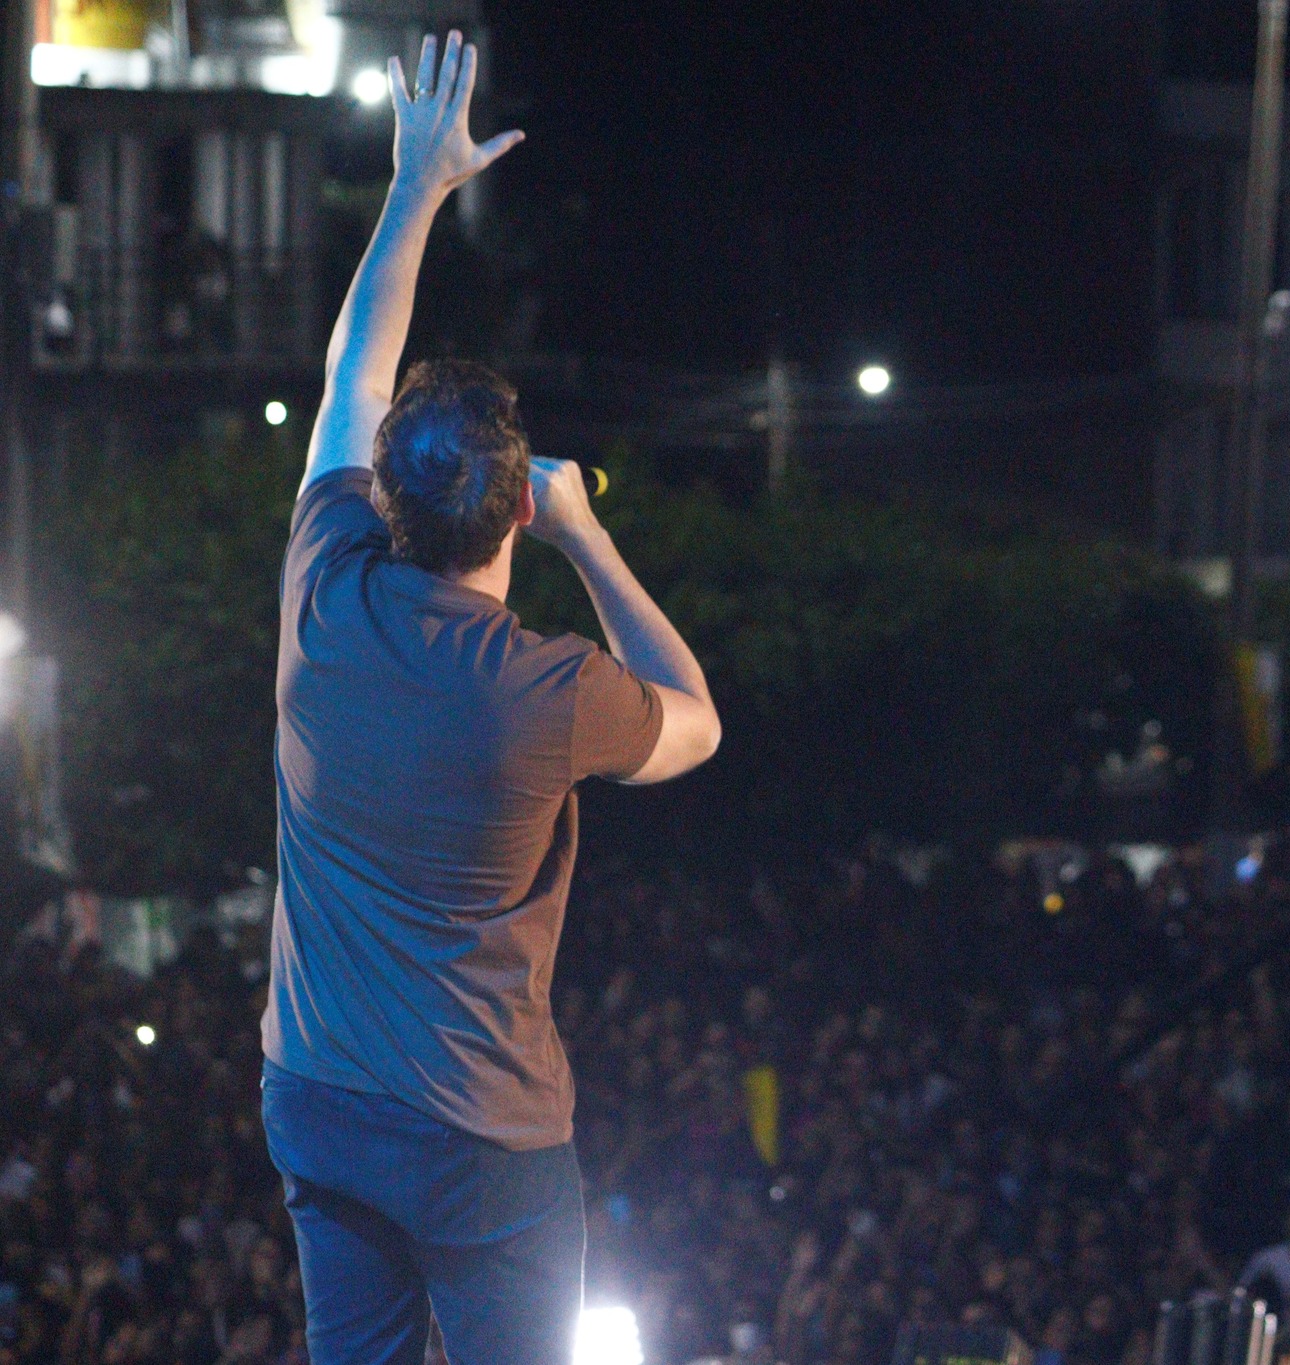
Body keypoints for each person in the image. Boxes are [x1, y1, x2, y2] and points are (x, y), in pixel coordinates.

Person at [257, 31, 721, 1365]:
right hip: (480, 1135)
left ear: (384, 497)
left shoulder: (324, 587)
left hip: (320, 1098)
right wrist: (588, 538)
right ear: (517, 507)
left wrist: (416, 186)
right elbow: (695, 719)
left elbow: (354, 376)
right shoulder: (543, 690)